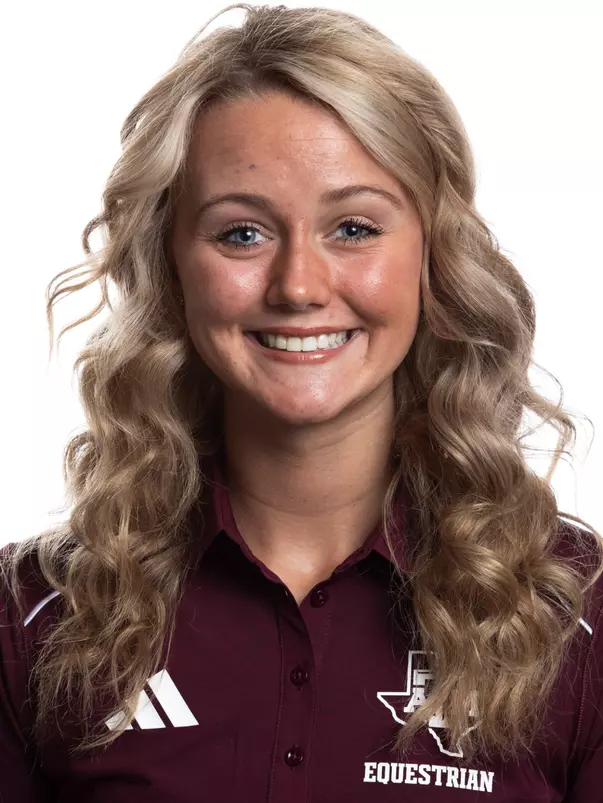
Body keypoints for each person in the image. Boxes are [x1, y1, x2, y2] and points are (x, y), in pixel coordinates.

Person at [1, 3, 602, 801]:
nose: (298, 286)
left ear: (432, 257)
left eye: (353, 228)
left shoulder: (570, 612)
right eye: (241, 234)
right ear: (168, 264)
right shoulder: (36, 617)